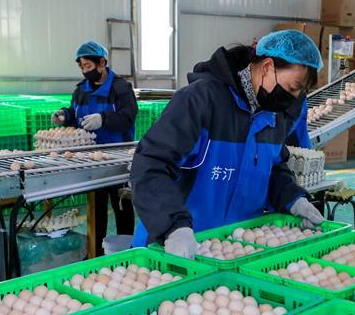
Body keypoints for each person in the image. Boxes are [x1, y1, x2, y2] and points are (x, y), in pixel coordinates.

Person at [129, 30, 325, 257]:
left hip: (230, 252)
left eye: (301, 92)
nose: (294, 98)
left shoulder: (275, 115)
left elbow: (271, 170)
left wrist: (292, 197)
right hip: (175, 246)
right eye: (293, 87)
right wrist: (173, 227)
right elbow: (151, 165)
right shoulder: (201, 101)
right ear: (268, 66)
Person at [52, 40, 138, 255]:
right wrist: (65, 115)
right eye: (81, 67)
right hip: (90, 159)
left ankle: (126, 251)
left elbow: (128, 117)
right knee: (96, 208)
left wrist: (104, 119)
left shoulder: (120, 88)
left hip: (117, 158)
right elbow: (75, 113)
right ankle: (97, 254)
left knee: (122, 206)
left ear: (102, 63)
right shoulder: (81, 90)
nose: (84, 71)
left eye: (88, 66)